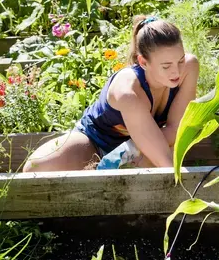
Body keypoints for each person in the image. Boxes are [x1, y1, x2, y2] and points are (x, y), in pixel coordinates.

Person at [23, 16, 199, 171]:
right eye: (166, 66)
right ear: (143, 62)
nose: (176, 71)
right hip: (95, 143)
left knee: (152, 167)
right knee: (36, 168)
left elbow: (177, 129)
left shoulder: (189, 68)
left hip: (144, 146)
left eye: (180, 60)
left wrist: (129, 152)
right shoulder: (128, 91)